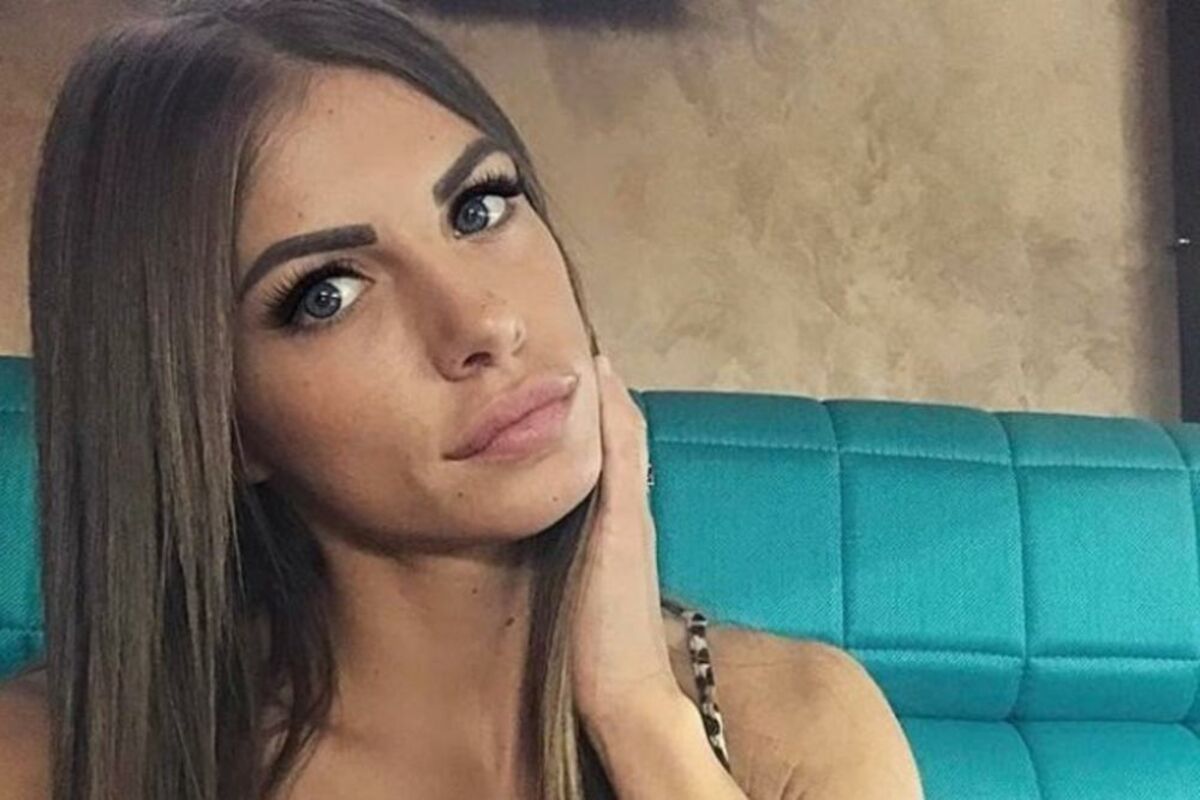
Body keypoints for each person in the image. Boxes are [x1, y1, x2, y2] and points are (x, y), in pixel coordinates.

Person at [0, 1, 924, 798]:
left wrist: (641, 719)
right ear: (214, 419)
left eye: (479, 208)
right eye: (327, 293)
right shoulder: (45, 759)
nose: (484, 321)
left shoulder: (798, 725)